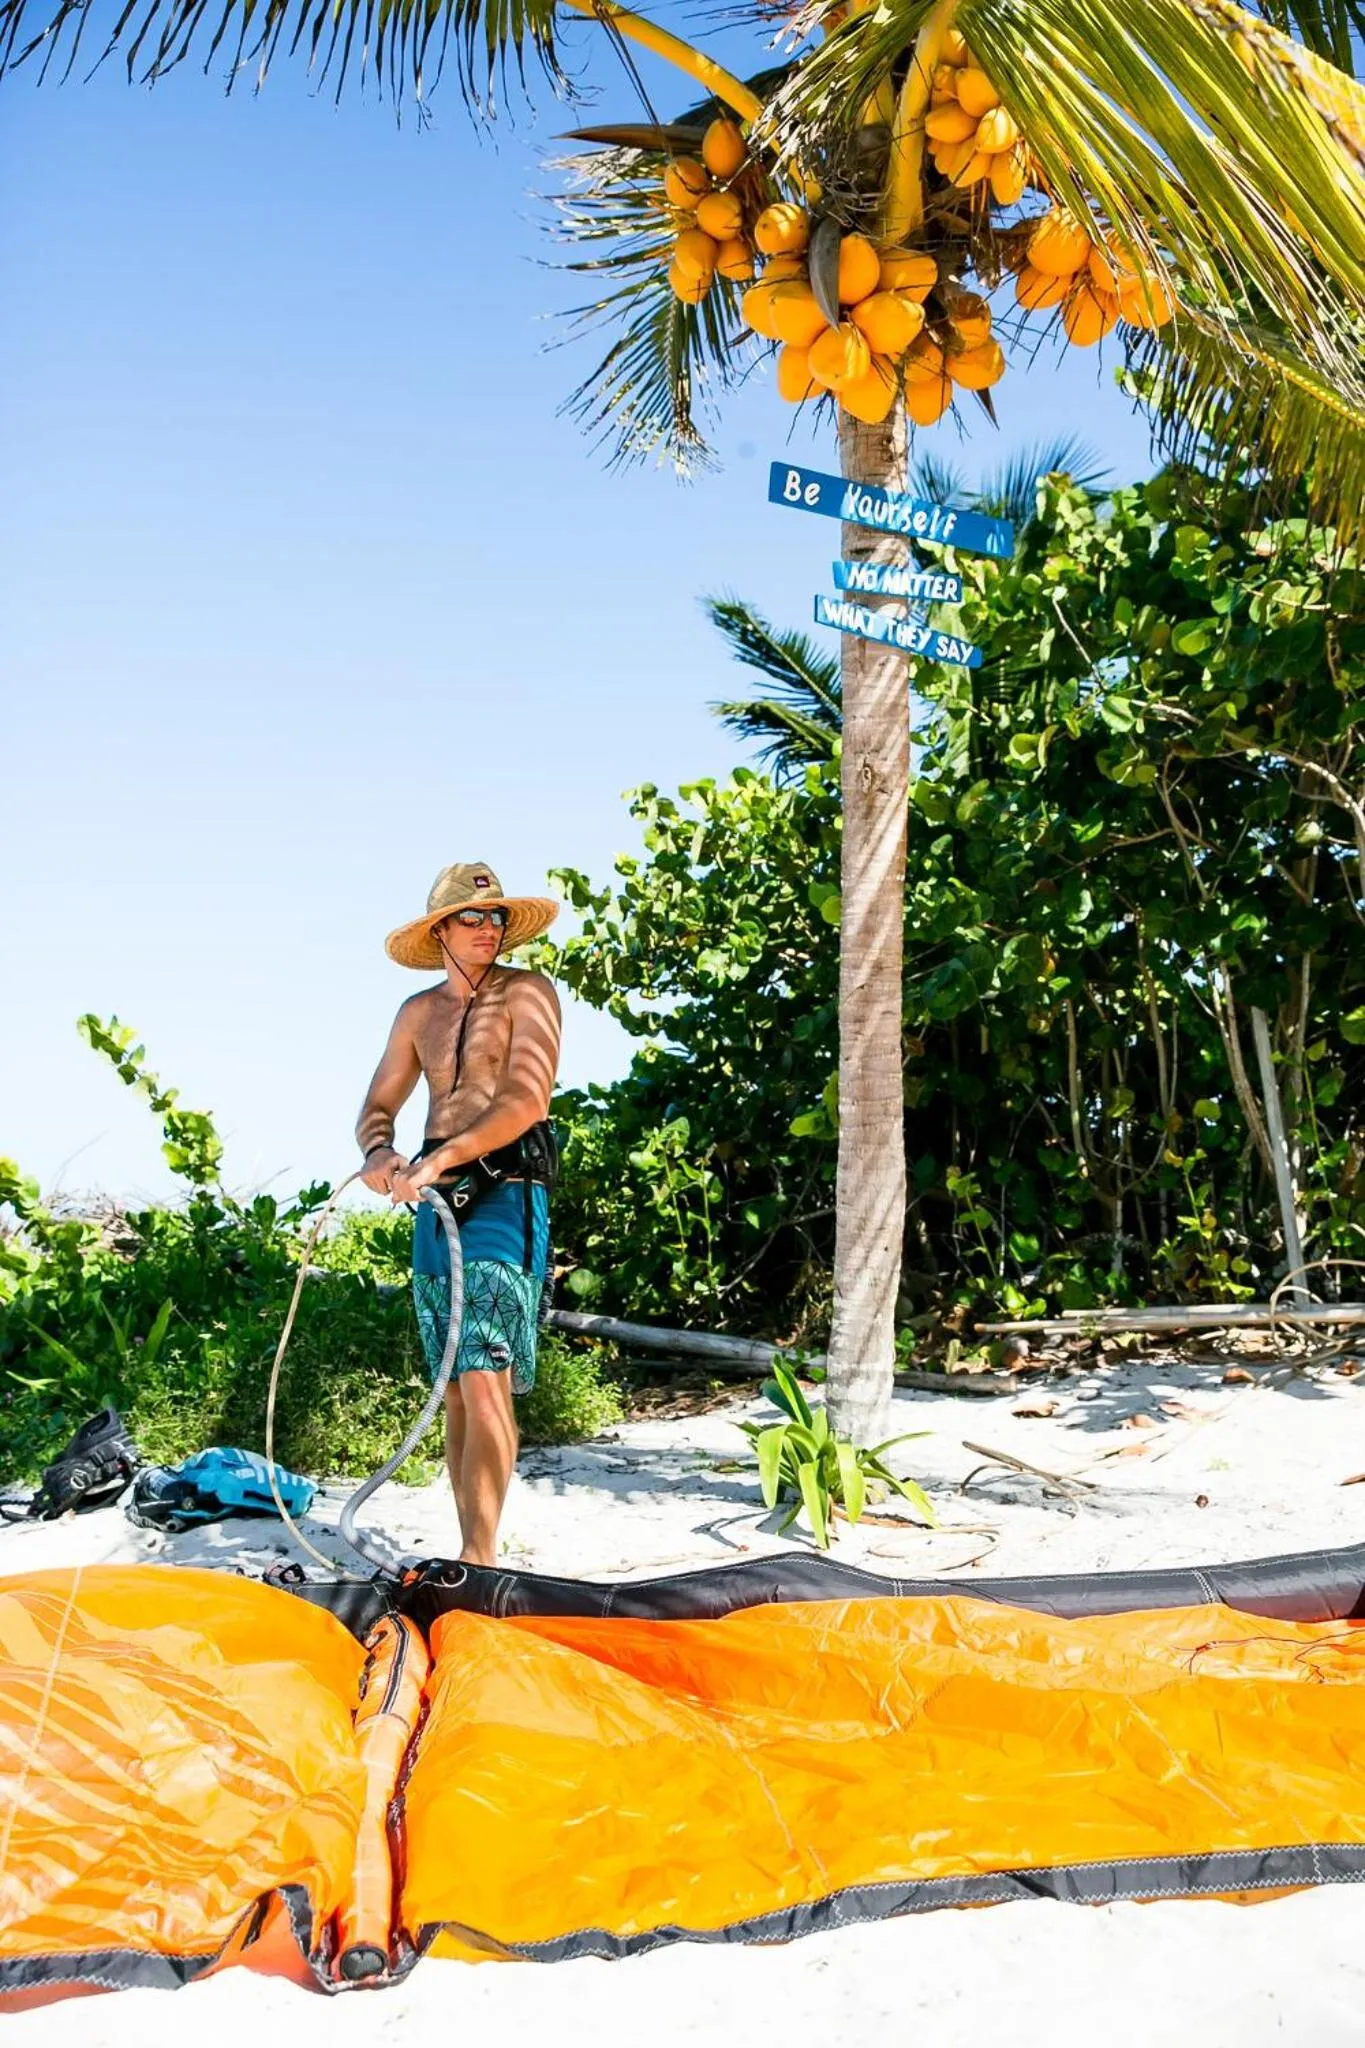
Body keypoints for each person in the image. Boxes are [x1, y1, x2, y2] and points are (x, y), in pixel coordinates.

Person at [355, 862, 561, 1566]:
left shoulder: (528, 992)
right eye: (471, 919)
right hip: (434, 1190)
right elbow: (378, 1105)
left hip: (506, 1181)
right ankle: (468, 1547)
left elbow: (528, 1098)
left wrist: (446, 1159)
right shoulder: (417, 1013)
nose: (486, 929)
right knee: (452, 1379)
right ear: (439, 930)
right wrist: (380, 1153)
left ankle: (482, 1558)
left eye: (496, 918)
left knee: (486, 1367)